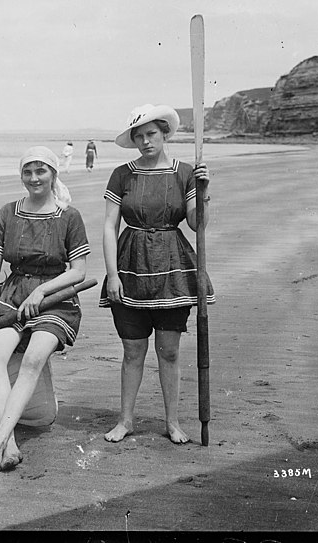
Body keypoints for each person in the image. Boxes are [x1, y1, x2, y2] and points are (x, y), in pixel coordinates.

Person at [99, 104, 214, 445]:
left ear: (165, 134)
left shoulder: (186, 173)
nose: (146, 142)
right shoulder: (122, 174)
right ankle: (125, 421)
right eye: (139, 136)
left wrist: (204, 190)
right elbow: (108, 226)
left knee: (169, 351)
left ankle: (173, 422)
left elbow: (198, 224)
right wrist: (112, 275)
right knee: (133, 351)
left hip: (172, 264)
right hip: (130, 263)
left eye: (151, 134)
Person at [0, 146, 90, 476]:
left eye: (41, 171)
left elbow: (79, 271)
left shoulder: (69, 216)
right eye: (28, 171)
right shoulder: (9, 212)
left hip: (56, 298)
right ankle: (10, 446)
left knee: (33, 358)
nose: (34, 178)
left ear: (53, 174)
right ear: (21, 175)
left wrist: (42, 290)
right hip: (13, 294)